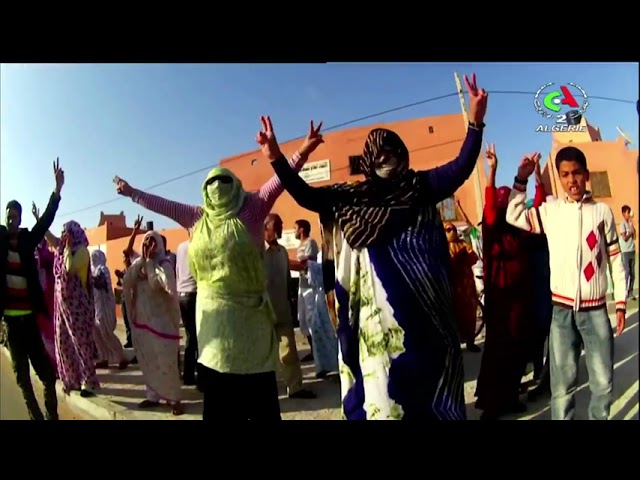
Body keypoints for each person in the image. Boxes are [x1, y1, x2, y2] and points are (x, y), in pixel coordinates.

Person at [261, 72, 487, 420]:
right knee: (386, 395)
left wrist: (475, 122)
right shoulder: (351, 199)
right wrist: (277, 157)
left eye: (393, 152)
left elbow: (459, 168)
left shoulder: (420, 187)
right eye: (379, 154)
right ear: (368, 160)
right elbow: (306, 195)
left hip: (428, 316)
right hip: (378, 326)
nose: (387, 159)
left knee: (433, 389)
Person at [114, 128, 321, 420]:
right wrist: (132, 193)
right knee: (222, 405)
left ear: (234, 184)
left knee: (258, 401)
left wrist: (303, 150)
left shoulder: (251, 207)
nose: (219, 187)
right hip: (214, 332)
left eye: (224, 181)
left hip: (252, 329)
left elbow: (280, 181)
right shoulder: (199, 216)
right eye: (214, 182)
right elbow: (161, 204)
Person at [506, 146, 627, 420]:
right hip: (561, 314)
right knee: (561, 387)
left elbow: (616, 261)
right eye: (564, 175)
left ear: (586, 174)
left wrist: (620, 303)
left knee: (603, 382)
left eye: (576, 173)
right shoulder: (551, 211)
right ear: (559, 178)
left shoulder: (603, 213)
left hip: (595, 312)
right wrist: (521, 180)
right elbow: (513, 216)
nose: (571, 180)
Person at [473, 144, 539, 419]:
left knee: (517, 350)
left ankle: (510, 397)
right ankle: (490, 405)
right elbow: (489, 209)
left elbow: (538, 205)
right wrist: (492, 171)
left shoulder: (520, 231)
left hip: (520, 300)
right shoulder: (491, 232)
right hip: (500, 301)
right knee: (498, 351)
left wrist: (538, 179)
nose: (502, 204)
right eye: (501, 201)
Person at [0, 159, 64, 420]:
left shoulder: (28, 239)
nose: (12, 220)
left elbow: (47, 218)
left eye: (15, 216)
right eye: (8, 216)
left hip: (30, 322)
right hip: (11, 327)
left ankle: (52, 416)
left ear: (21, 218)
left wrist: (57, 189)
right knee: (23, 381)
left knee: (47, 378)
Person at [122, 230, 184, 415]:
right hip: (143, 323)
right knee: (148, 360)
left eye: (152, 241)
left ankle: (174, 398)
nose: (148, 244)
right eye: (145, 240)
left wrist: (149, 263)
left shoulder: (164, 264)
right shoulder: (138, 264)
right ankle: (152, 396)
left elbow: (160, 284)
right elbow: (127, 281)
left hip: (162, 324)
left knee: (166, 361)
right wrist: (142, 262)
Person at [46, 220, 100, 397]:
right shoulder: (63, 250)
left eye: (67, 232)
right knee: (64, 342)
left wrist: (68, 248)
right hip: (63, 307)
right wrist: (41, 222)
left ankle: (89, 383)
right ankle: (72, 379)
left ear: (74, 233)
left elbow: (69, 269)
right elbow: (53, 240)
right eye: (63, 232)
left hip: (78, 308)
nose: (63, 235)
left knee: (81, 345)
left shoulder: (82, 251)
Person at [264, 214, 316, 399]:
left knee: (290, 351)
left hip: (282, 309)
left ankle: (295, 387)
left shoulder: (282, 252)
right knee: (265, 354)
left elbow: (286, 279)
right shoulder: (256, 252)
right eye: (276, 225)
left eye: (281, 224)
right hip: (263, 312)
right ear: (266, 228)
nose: (280, 227)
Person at [444, 221, 480, 353]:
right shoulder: (443, 247)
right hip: (453, 288)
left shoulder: (463, 244)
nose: (451, 232)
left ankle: (471, 342)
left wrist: (464, 259)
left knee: (470, 316)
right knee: (454, 317)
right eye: (448, 230)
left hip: (467, 289)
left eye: (452, 229)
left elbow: (474, 258)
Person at [90, 249, 129, 370]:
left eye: (94, 257)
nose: (93, 259)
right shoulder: (92, 270)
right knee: (97, 335)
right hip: (96, 307)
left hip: (105, 307)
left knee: (107, 333)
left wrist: (89, 278)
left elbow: (101, 284)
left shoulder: (103, 269)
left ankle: (121, 358)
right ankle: (104, 358)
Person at [291, 219, 320, 362]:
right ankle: (312, 350)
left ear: (301, 229)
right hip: (302, 286)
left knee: (310, 317)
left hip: (310, 287)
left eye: (295, 228)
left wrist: (286, 262)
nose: (294, 230)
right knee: (302, 318)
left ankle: (317, 351)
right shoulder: (300, 246)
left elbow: (305, 263)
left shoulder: (310, 243)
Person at [176, 229, 198, 385]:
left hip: (181, 294)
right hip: (193, 294)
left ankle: (189, 373)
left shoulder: (180, 247)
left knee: (191, 335)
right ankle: (191, 375)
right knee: (198, 337)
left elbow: (178, 270)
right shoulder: (198, 245)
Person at [619, 205, 636, 300]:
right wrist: (630, 232)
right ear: (623, 213)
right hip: (625, 251)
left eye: (629, 212)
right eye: (627, 212)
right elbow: (624, 237)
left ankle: (631, 292)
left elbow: (635, 236)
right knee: (626, 272)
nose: (629, 214)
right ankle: (624, 293)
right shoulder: (622, 224)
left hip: (632, 250)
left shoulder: (630, 223)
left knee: (633, 273)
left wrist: (632, 228)